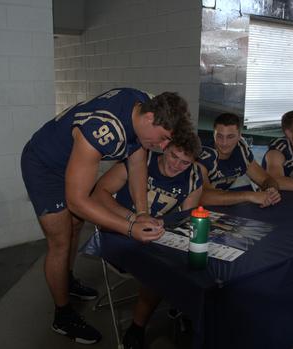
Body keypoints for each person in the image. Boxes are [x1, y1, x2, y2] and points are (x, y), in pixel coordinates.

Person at [21, 87, 191, 344]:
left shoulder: (144, 104)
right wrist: (129, 228)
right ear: (148, 119)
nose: (164, 146)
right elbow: (77, 202)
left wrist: (141, 213)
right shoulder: (104, 129)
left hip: (72, 159)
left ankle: (66, 279)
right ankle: (63, 316)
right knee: (60, 240)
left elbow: (137, 165)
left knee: (76, 227)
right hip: (44, 165)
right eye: (164, 138)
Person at [92, 129, 203, 349]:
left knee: (198, 258)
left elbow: (184, 218)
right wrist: (134, 220)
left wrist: (166, 223)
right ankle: (137, 328)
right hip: (119, 230)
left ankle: (188, 310)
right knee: (160, 268)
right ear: (165, 147)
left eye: (184, 162)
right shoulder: (141, 160)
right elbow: (99, 192)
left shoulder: (193, 178)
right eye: (174, 156)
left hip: (155, 235)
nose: (176, 165)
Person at [197, 113, 281, 207]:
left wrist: (271, 191)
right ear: (213, 135)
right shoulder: (204, 156)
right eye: (219, 136)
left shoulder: (241, 151)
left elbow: (266, 179)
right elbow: (203, 197)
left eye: (230, 137)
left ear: (239, 136)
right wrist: (249, 196)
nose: (224, 143)